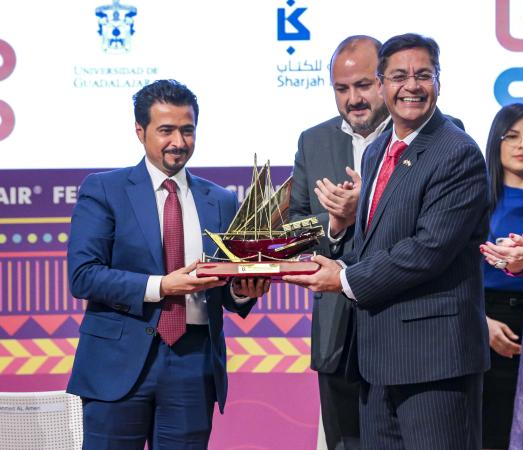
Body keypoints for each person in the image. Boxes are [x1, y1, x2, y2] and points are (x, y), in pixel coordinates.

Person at [285, 33, 490, 449]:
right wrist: (339, 242)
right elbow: (372, 243)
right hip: (376, 359)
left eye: (423, 75)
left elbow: (428, 250)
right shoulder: (377, 151)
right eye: (398, 76)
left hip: (434, 361)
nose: (411, 86)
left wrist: (344, 279)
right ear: (384, 84)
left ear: (438, 80)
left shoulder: (457, 151)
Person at [66, 79, 270, 450]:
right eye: (166, 130)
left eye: (187, 130)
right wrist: (161, 286)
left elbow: (226, 289)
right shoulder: (104, 189)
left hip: (193, 362)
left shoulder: (221, 200)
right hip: (117, 361)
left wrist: (243, 291)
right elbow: (84, 276)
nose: (178, 141)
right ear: (140, 131)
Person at [289, 35, 389, 450]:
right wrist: (334, 222)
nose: (353, 99)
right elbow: (293, 229)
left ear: (385, 80)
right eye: (341, 88)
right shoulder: (313, 141)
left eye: (363, 85)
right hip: (336, 334)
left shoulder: (426, 134)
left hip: (401, 329)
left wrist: (364, 208)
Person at [481, 104, 523, 449]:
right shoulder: (475, 199)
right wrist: (480, 322)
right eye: (512, 136)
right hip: (486, 321)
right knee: (491, 431)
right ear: (496, 141)